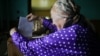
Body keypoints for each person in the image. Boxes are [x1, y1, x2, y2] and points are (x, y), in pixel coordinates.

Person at [10, 0, 97, 56]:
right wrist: (39, 18)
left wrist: (14, 33)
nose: (53, 22)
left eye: (54, 19)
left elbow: (27, 49)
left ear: (64, 18)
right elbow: (55, 27)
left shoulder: (71, 34)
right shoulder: (81, 27)